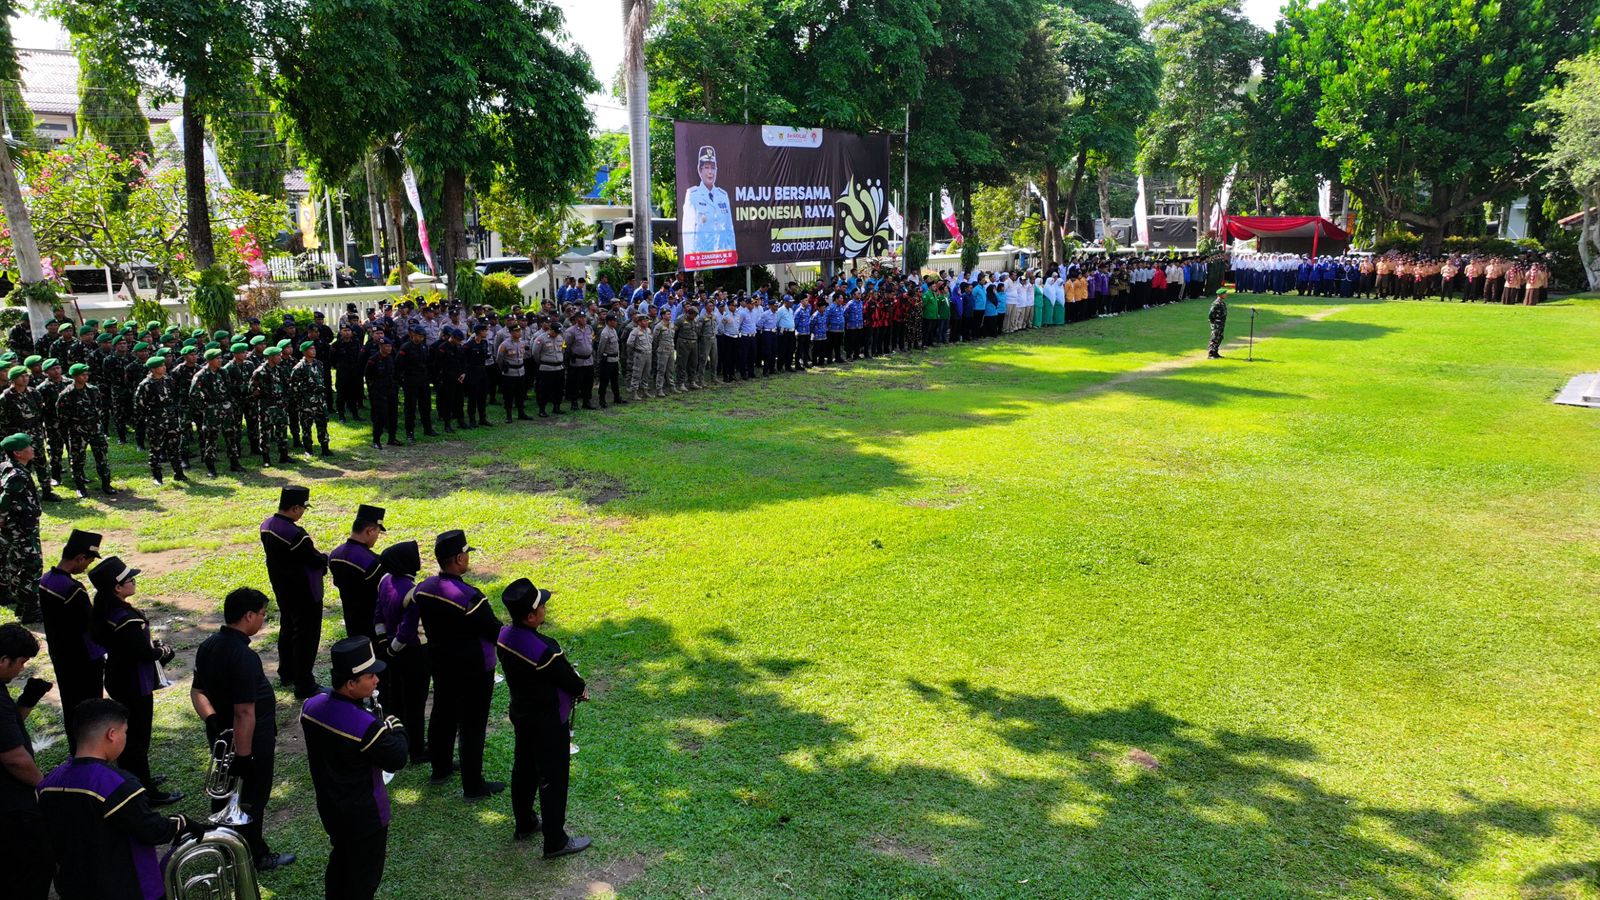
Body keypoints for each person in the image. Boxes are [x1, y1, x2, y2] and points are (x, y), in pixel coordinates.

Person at [37, 698, 205, 900]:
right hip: (126, 888)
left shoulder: (48, 783)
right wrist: (181, 823)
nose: (125, 738)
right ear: (112, 734)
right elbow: (150, 830)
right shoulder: (116, 784)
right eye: (125, 732)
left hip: (75, 887)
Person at [190, 587, 295, 871]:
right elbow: (244, 711)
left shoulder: (208, 645)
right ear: (248, 615)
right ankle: (254, 855)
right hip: (249, 741)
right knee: (251, 801)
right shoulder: (244, 657)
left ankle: (224, 848)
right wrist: (245, 757)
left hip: (221, 735)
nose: (263, 619)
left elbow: (197, 691)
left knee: (223, 796)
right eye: (262, 614)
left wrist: (211, 719)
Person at [301, 637, 409, 899]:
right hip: (365, 815)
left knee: (340, 864)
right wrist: (394, 724)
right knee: (363, 880)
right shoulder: (364, 726)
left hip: (331, 808)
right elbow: (397, 757)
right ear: (351, 684)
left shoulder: (310, 707)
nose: (377, 681)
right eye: (370, 676)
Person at [496, 578, 591, 858]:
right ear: (531, 616)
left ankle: (524, 823)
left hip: (522, 714)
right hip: (548, 721)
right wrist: (582, 689)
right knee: (553, 777)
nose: (545, 608)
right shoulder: (545, 649)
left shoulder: (503, 636)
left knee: (523, 768)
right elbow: (570, 681)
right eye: (541, 606)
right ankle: (555, 841)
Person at [415, 529, 504, 800]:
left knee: (442, 713)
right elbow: (493, 630)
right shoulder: (470, 597)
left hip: (441, 662)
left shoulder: (425, 588)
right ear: (457, 559)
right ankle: (473, 786)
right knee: (472, 725)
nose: (467, 558)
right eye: (465, 554)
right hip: (474, 668)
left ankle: (440, 769)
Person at [89, 555, 182, 805]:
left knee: (130, 736)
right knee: (138, 739)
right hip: (134, 683)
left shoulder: (106, 611)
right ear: (117, 588)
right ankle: (146, 791)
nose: (134, 581)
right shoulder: (128, 619)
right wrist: (163, 651)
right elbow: (143, 654)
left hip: (118, 677)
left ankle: (140, 778)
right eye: (129, 579)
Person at [0, 622, 54, 900]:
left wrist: (27, 701)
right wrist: (43, 787)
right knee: (32, 865)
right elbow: (13, 758)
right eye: (20, 663)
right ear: (3, 660)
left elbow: (7, 733)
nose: (21, 669)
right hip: (10, 805)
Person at [261, 485, 329, 699]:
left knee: (288, 629)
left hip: (282, 588)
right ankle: (304, 683)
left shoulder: (267, 526)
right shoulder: (295, 534)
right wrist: (324, 559)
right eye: (303, 508)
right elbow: (313, 558)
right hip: (305, 592)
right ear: (295, 508)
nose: (302, 513)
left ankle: (287, 673)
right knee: (306, 637)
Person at [39, 529, 103, 749]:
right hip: (82, 659)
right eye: (88, 561)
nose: (87, 566)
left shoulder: (46, 580)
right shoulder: (72, 589)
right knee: (90, 707)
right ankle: (89, 750)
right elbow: (92, 624)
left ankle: (75, 749)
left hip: (60, 654)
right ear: (79, 558)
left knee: (70, 704)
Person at [373, 540, 429, 764]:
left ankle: (398, 740)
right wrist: (395, 647)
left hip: (389, 649)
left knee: (396, 696)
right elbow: (407, 629)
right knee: (416, 702)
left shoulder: (385, 581)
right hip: (414, 652)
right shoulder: (413, 592)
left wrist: (385, 645)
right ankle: (416, 749)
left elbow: (378, 614)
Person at [0, 432, 44, 623]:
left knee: (17, 564)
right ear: (18, 453)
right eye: (28, 447)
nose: (32, 449)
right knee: (32, 566)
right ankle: (30, 610)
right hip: (21, 529)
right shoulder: (17, 475)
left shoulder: (8, 466)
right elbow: (4, 499)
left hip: (18, 527)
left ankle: (21, 603)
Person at [0, 365, 59, 501]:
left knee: (41, 462)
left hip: (36, 434)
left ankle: (46, 491)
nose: (25, 378)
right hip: (18, 438)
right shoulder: (5, 398)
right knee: (20, 466)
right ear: (13, 380)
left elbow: (39, 413)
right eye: (22, 376)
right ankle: (24, 492)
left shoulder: (34, 393)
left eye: (26, 375)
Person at [56, 363, 115, 496]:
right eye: (83, 374)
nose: (86, 376)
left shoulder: (93, 390)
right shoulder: (66, 394)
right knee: (77, 459)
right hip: (78, 431)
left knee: (102, 457)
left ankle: (106, 484)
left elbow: (99, 406)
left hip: (95, 429)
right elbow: (62, 416)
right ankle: (80, 487)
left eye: (87, 374)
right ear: (75, 376)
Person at [330, 504, 386, 642]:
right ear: (370, 531)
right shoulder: (373, 562)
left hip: (350, 617)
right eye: (378, 532)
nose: (377, 537)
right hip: (371, 621)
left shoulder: (335, 554)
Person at [132, 355, 188, 484]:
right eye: (161, 366)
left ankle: (178, 473)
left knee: (174, 446)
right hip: (155, 421)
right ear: (153, 369)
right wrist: (150, 417)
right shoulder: (145, 385)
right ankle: (157, 477)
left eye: (164, 365)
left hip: (171, 419)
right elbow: (139, 405)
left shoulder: (168, 380)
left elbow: (173, 397)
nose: (164, 367)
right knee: (156, 448)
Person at [191, 347, 244, 476]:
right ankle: (211, 468)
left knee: (231, 436)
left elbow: (229, 388)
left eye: (220, 358)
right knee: (211, 438)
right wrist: (205, 407)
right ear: (209, 360)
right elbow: (193, 394)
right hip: (211, 410)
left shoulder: (223, 372)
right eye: (217, 358)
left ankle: (235, 463)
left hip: (226, 408)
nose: (220, 360)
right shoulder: (201, 375)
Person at [680, 145, 736, 258]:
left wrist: (732, 257)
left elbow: (730, 230)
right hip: (702, 259)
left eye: (713, 167)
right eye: (706, 167)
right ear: (699, 170)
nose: (710, 172)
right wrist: (690, 260)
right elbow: (687, 232)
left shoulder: (723, 196)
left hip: (722, 259)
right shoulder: (692, 195)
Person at [250, 346, 292, 465]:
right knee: (266, 432)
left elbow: (286, 385)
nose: (280, 357)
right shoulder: (260, 371)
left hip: (280, 405)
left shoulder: (280, 369)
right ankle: (266, 459)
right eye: (277, 355)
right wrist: (261, 395)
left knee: (282, 430)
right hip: (266, 405)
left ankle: (284, 455)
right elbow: (252, 388)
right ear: (270, 357)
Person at [291, 341, 332, 456]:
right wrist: (300, 401)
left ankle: (325, 448)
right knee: (306, 426)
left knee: (322, 424)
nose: (313, 351)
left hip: (320, 400)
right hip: (306, 402)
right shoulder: (299, 368)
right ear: (304, 352)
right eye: (310, 349)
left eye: (314, 348)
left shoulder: (319, 363)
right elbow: (293, 387)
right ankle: (308, 450)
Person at [365, 337, 399, 448]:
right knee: (381, 417)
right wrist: (373, 390)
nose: (389, 348)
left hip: (391, 390)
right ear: (381, 347)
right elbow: (368, 376)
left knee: (393, 415)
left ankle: (392, 438)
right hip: (379, 391)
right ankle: (376, 440)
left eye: (390, 346)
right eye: (387, 346)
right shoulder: (373, 360)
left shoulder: (390, 358)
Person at [596, 313, 625, 408]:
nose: (616, 322)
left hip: (614, 359)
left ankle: (617, 397)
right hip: (607, 360)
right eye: (614, 321)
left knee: (614, 380)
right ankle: (602, 400)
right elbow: (601, 348)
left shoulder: (613, 330)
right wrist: (601, 359)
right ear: (609, 322)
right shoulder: (605, 332)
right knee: (604, 381)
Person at [1207, 287, 1230, 359]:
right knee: (1215, 337)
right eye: (1225, 293)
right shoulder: (1216, 303)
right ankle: (1211, 354)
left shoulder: (1221, 302)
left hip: (1221, 323)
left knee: (1219, 337)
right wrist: (1213, 322)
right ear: (1220, 295)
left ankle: (1215, 352)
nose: (1226, 295)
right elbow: (1211, 313)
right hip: (1216, 323)